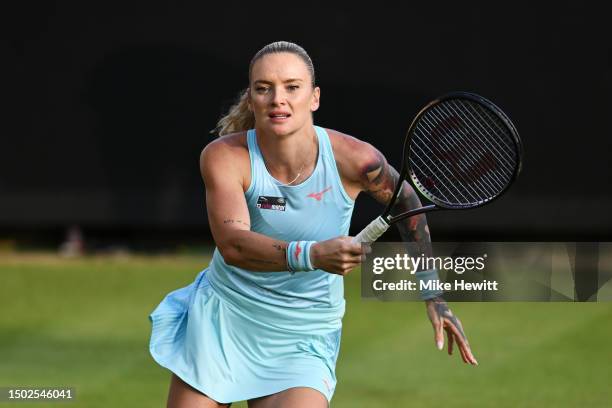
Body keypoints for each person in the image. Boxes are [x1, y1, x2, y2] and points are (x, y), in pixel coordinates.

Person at [149, 41, 477, 408]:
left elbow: (406, 202)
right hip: (225, 322)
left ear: (314, 97)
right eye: (264, 88)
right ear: (252, 98)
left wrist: (433, 294)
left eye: (292, 87)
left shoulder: (357, 160)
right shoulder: (224, 156)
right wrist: (314, 254)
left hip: (303, 334)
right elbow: (233, 244)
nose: (278, 99)